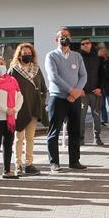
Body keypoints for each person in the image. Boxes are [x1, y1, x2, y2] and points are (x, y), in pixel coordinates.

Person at [43, 27, 87, 171]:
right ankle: (54, 162)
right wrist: (70, 90)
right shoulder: (51, 56)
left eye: (67, 36)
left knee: (75, 131)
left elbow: (83, 76)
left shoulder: (77, 56)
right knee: (54, 131)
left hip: (74, 99)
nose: (64, 38)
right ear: (56, 39)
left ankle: (74, 161)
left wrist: (76, 92)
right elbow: (53, 77)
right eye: (61, 36)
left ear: (71, 38)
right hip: (58, 98)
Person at [11, 42, 47, 176]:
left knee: (30, 138)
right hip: (19, 109)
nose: (27, 55)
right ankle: (18, 164)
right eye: (24, 53)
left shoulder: (37, 69)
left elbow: (44, 88)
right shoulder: (14, 70)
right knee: (18, 138)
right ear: (19, 55)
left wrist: (40, 102)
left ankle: (29, 163)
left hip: (33, 109)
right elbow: (10, 90)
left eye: (29, 53)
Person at [77, 37, 105, 145]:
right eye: (83, 44)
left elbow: (102, 75)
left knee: (97, 116)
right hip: (82, 93)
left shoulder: (97, 58)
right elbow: (75, 75)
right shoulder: (77, 58)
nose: (85, 45)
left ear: (91, 44)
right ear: (81, 46)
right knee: (81, 117)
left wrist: (99, 88)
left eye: (87, 43)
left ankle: (97, 138)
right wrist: (79, 89)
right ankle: (80, 138)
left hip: (95, 92)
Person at [97, 45, 109, 125]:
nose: (100, 55)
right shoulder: (98, 63)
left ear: (105, 54)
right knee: (102, 105)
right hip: (100, 87)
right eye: (99, 54)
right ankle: (104, 120)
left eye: (102, 54)